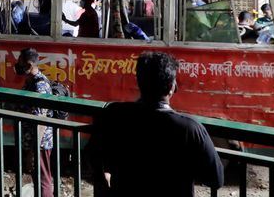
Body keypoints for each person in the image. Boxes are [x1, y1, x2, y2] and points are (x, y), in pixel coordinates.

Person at [89, 51, 223, 196]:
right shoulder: (190, 129)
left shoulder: (114, 114)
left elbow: (91, 152)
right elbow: (216, 179)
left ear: (139, 82)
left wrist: (102, 180)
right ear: (172, 87)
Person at [14, 48, 53, 197]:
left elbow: (41, 121)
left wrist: (33, 151)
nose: (17, 65)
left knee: (43, 179)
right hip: (32, 140)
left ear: (29, 65)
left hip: (40, 142)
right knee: (37, 176)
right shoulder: (30, 81)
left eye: (20, 63)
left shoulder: (40, 85)